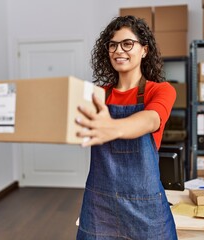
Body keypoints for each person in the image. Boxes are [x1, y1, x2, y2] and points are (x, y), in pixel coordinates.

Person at [75, 15, 178, 240]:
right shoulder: (97, 95)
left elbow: (151, 119)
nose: (118, 50)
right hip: (100, 204)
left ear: (144, 50)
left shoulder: (160, 90)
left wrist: (113, 127)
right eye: (112, 45)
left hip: (146, 204)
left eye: (127, 44)